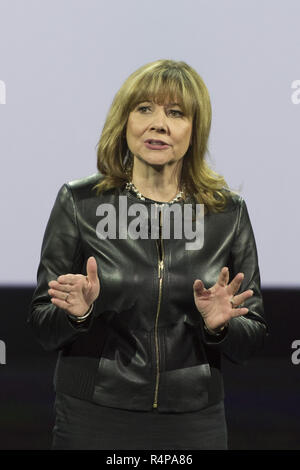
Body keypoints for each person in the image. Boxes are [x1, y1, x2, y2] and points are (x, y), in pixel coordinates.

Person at [28, 59, 267, 450]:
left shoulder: (227, 213)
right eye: (145, 109)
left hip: (193, 419)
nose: (159, 123)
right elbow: (42, 325)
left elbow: (251, 338)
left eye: (175, 112)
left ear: (195, 129)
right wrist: (79, 314)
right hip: (95, 414)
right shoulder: (80, 202)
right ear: (126, 122)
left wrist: (218, 328)